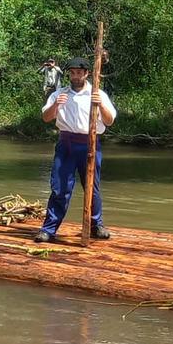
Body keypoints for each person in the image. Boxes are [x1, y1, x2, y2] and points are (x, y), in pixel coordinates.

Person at [35, 57, 116, 243]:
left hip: (90, 143)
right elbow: (46, 118)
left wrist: (100, 104)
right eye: (72, 73)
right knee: (60, 187)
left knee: (92, 187)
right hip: (66, 144)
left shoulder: (97, 94)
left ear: (86, 74)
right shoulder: (59, 94)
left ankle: (96, 225)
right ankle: (49, 229)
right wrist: (56, 105)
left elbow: (109, 121)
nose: (75, 76)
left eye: (79, 73)